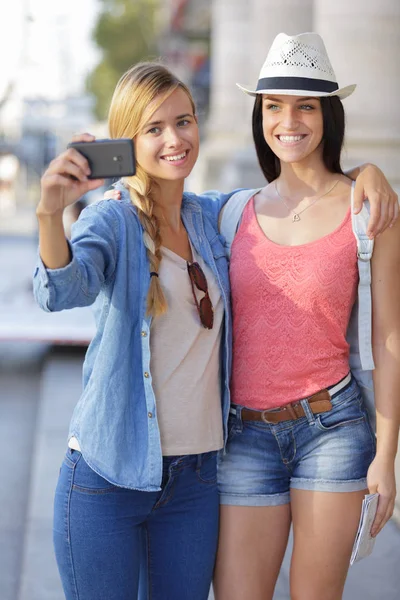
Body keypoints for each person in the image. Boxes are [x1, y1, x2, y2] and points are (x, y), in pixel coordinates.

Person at [33, 62, 235, 600]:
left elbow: (292, 199)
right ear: (128, 139)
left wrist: (362, 176)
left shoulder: (211, 217)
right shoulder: (112, 220)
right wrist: (51, 214)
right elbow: (63, 289)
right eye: (154, 128)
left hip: (195, 482)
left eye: (184, 121)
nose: (175, 138)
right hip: (107, 480)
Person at [212, 32, 400, 600]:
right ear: (260, 114)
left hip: (333, 431)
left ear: (327, 115)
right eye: (274, 106)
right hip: (242, 435)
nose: (287, 121)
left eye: (305, 105)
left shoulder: (365, 210)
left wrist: (387, 458)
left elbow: (389, 336)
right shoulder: (233, 211)